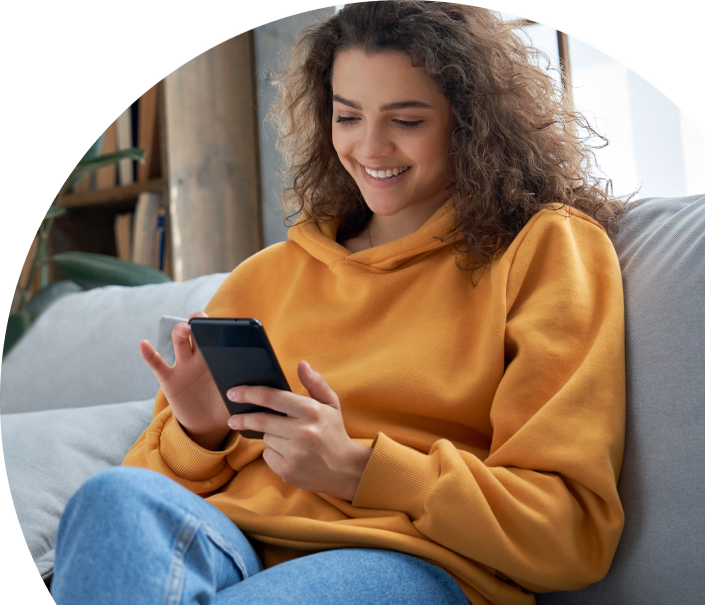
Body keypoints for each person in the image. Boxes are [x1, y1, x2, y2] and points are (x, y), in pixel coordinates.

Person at [49, 2, 632, 604]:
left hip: (403, 560)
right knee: (109, 497)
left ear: (470, 121)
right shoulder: (268, 275)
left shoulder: (542, 249)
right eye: (348, 116)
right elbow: (138, 529)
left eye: (406, 120)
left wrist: (359, 468)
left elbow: (569, 532)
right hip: (232, 542)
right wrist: (200, 433)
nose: (370, 147)